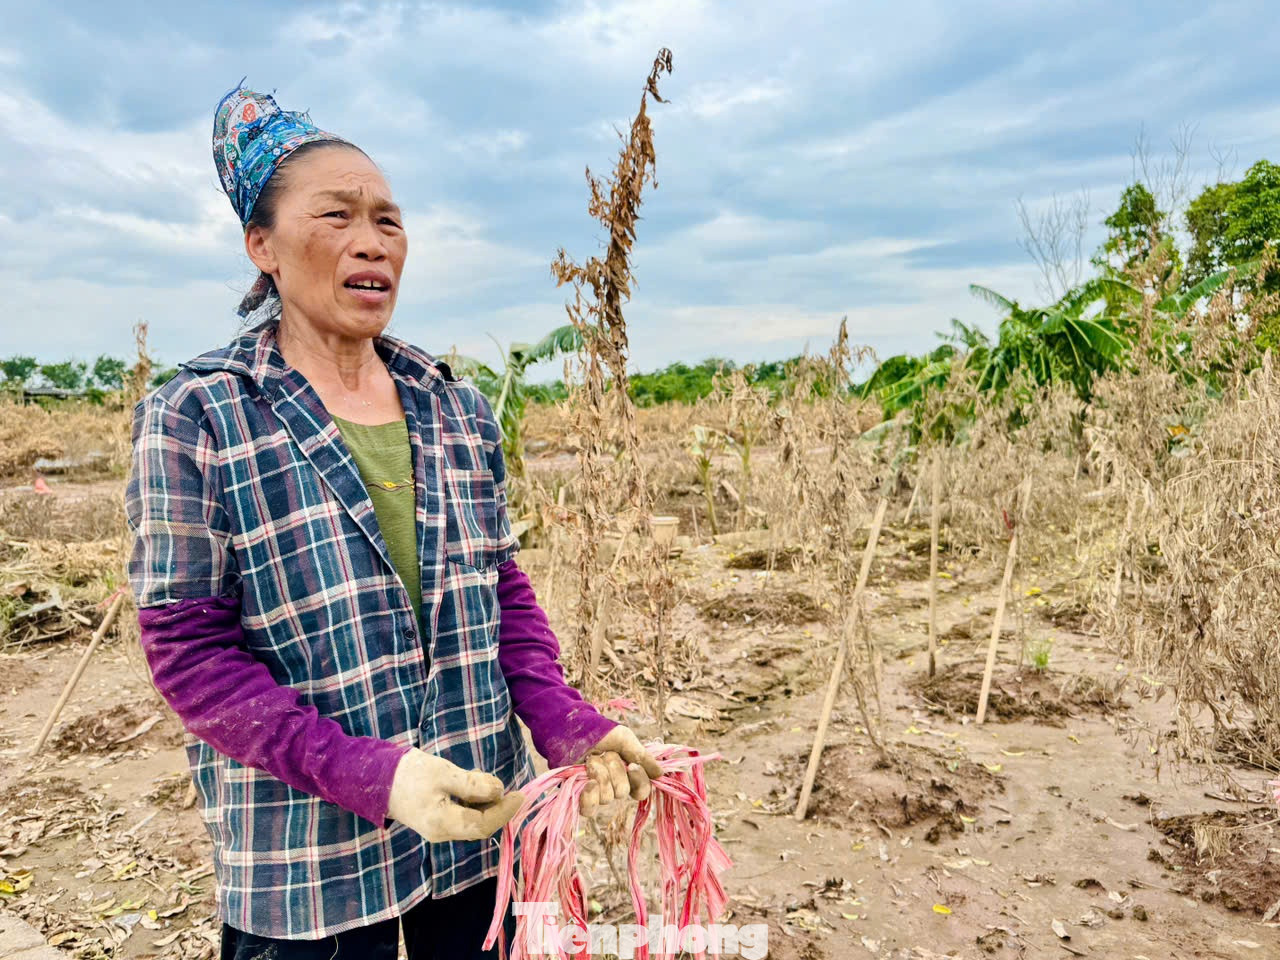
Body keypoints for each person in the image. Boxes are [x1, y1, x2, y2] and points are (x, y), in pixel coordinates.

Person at [123, 82, 661, 960]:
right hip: (307, 862)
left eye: (389, 219)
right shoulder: (197, 415)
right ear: (263, 246)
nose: (371, 240)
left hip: (481, 821)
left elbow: (500, 592)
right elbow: (193, 658)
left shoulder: (454, 407)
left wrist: (568, 721)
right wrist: (376, 775)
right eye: (335, 216)